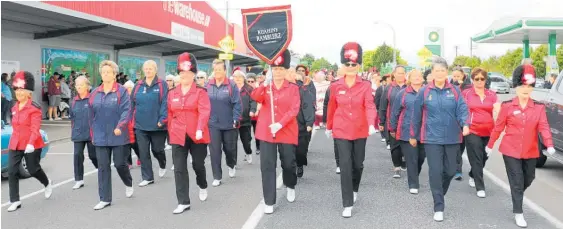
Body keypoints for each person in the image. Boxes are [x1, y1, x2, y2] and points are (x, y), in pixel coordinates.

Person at [486, 64, 554, 228]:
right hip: (510, 151)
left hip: (531, 151)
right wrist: (490, 145)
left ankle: (517, 194)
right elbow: (498, 127)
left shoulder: (538, 107)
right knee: (517, 181)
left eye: (529, 86)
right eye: (522, 85)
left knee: (528, 178)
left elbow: (544, 127)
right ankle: (519, 212)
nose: (525, 89)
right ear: (516, 86)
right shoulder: (507, 106)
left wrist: (549, 144)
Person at [410, 57, 469, 222]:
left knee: (450, 171)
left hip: (452, 137)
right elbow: (416, 115)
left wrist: (465, 124)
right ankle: (438, 205)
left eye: (443, 70)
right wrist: (413, 135)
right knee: (435, 171)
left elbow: (462, 109)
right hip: (431, 138)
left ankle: (438, 192)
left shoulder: (455, 91)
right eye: (437, 71)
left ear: (447, 72)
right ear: (432, 73)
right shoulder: (425, 91)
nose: (440, 73)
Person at [326, 42, 377, 218]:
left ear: (358, 65)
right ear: (343, 65)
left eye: (353, 64)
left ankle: (354, 188)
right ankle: (347, 203)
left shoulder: (365, 85)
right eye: (347, 64)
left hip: (360, 129)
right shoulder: (335, 85)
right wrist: (329, 126)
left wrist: (372, 124)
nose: (350, 67)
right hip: (341, 130)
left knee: (357, 164)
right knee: (345, 165)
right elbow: (332, 107)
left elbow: (370, 105)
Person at [251, 50, 300, 214]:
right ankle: (269, 200)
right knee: (267, 166)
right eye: (275, 69)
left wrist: (280, 124)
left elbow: (294, 109)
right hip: (266, 131)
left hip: (285, 130)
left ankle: (290, 184)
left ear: (286, 70)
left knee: (288, 163)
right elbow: (256, 97)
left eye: (281, 69)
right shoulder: (266, 87)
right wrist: (264, 84)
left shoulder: (292, 88)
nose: (278, 72)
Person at [167, 52, 211, 214]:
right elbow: (170, 114)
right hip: (178, 134)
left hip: (197, 134)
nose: (184, 75)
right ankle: (183, 201)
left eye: (188, 72)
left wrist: (200, 128)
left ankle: (202, 184)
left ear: (193, 74)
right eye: (182, 73)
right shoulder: (172, 93)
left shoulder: (201, 92)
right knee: (179, 168)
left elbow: (204, 112)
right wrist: (170, 134)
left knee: (197, 164)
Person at [89, 60, 133, 210]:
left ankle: (128, 182)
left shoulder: (121, 91)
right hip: (100, 135)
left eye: (109, 72)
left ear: (115, 75)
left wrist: (120, 125)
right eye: (103, 72)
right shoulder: (95, 92)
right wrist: (92, 133)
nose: (106, 74)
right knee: (103, 166)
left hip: (118, 134)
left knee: (120, 163)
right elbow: (90, 114)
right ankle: (105, 198)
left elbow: (127, 111)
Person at [6, 71, 53, 212]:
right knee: (12, 172)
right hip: (15, 144)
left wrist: (31, 143)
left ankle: (47, 182)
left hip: (31, 144)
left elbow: (35, 128)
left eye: (21, 90)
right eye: (16, 90)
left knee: (33, 170)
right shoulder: (14, 108)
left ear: (28, 93)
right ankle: (15, 201)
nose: (18, 93)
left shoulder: (34, 108)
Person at [461, 68, 499, 198]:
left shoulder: (492, 94)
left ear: (485, 80)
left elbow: (497, 111)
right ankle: (480, 186)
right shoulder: (466, 93)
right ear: (472, 80)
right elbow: (463, 111)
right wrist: (465, 125)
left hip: (488, 131)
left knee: (484, 157)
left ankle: (472, 174)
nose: (479, 81)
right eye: (476, 78)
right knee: (476, 157)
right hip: (472, 130)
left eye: (482, 79)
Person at [131, 60, 169, 187]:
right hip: (140, 125)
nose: (148, 71)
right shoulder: (138, 85)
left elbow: (165, 102)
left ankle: (162, 163)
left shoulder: (162, 84)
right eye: (146, 68)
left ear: (155, 70)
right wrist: (131, 121)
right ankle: (148, 177)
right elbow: (132, 104)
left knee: (157, 150)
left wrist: (163, 119)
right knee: (143, 152)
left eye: (150, 68)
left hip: (158, 125)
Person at [389, 69, 426, 194]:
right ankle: (413, 184)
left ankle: (414, 174)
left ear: (422, 78)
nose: (417, 78)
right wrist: (392, 128)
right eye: (414, 76)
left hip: (425, 132)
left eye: (419, 76)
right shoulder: (403, 93)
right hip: (406, 132)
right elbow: (395, 112)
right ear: (409, 79)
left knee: (421, 158)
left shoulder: (428, 92)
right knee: (412, 158)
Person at [206, 59, 242, 186]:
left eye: (219, 70)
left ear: (225, 71)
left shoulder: (231, 85)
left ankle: (231, 164)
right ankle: (217, 176)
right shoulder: (208, 85)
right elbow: (204, 103)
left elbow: (237, 104)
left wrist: (236, 118)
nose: (217, 72)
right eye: (215, 70)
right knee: (215, 151)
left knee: (230, 149)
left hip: (229, 124)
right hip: (213, 124)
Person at [70, 76, 99, 189]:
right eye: (77, 85)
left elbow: (97, 115)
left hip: (91, 133)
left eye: (81, 85)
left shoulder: (92, 99)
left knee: (93, 155)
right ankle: (79, 179)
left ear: (87, 86)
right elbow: (72, 117)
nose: (79, 87)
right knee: (77, 155)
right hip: (77, 133)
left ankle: (101, 169)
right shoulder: (74, 101)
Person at [379, 66, 408, 178]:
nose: (401, 75)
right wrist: (381, 122)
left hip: (406, 122)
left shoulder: (409, 86)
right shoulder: (389, 88)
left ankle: (404, 161)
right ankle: (396, 166)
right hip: (392, 122)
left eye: (403, 73)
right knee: (394, 145)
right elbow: (383, 106)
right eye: (398, 73)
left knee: (405, 145)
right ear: (394, 75)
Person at [286, 67, 315, 178]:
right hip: (286, 125)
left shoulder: (302, 88)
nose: (288, 75)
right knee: (288, 150)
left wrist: (309, 122)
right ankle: (290, 168)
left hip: (300, 123)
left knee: (300, 150)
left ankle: (299, 164)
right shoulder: (281, 88)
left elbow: (307, 105)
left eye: (290, 73)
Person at [451, 66, 472, 180]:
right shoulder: (449, 86)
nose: (456, 78)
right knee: (455, 147)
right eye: (454, 76)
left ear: (463, 76)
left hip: (465, 120)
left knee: (462, 146)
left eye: (458, 76)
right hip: (452, 121)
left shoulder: (469, 87)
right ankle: (457, 170)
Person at [232, 68, 257, 164]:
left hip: (245, 120)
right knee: (232, 142)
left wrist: (252, 110)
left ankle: (248, 152)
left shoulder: (249, 89)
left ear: (243, 78)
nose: (237, 78)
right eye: (235, 77)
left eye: (239, 77)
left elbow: (253, 101)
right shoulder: (230, 88)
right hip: (233, 119)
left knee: (246, 141)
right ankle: (232, 163)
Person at [323, 68, 342, 174]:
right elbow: (327, 103)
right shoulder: (332, 87)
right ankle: (339, 164)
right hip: (336, 120)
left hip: (351, 121)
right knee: (337, 142)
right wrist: (326, 120)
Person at [124, 80, 141, 167]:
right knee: (126, 145)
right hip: (125, 124)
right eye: (127, 89)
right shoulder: (122, 99)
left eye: (130, 88)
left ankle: (140, 157)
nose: (128, 90)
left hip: (135, 123)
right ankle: (128, 162)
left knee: (135, 144)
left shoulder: (136, 97)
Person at [246, 73, 261, 155]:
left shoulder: (258, 90)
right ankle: (247, 150)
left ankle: (258, 147)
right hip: (246, 116)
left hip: (256, 116)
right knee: (247, 136)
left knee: (257, 133)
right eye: (248, 81)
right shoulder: (244, 90)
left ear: (255, 82)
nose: (250, 83)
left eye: (252, 81)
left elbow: (260, 101)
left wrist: (257, 111)